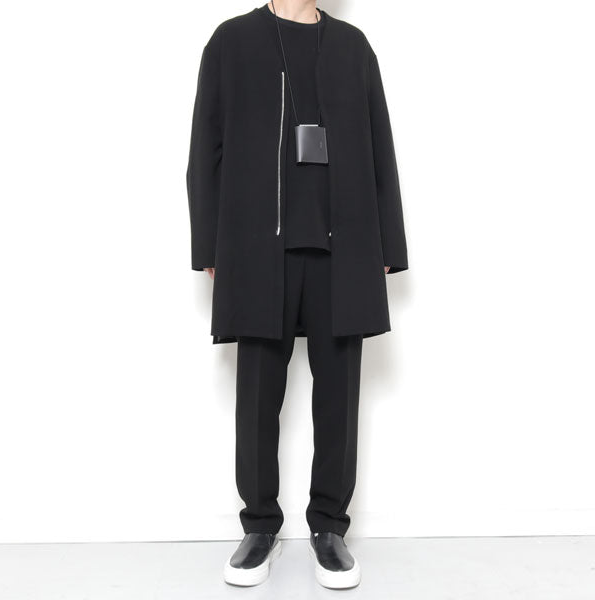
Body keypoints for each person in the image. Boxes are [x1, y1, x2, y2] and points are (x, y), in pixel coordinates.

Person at [186, 0, 408, 589]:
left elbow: (380, 146)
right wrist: (209, 245)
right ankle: (259, 526)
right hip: (258, 249)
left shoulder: (354, 47)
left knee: (339, 396)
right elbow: (205, 148)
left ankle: (329, 528)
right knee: (258, 395)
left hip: (344, 248)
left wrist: (388, 242)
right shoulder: (232, 42)